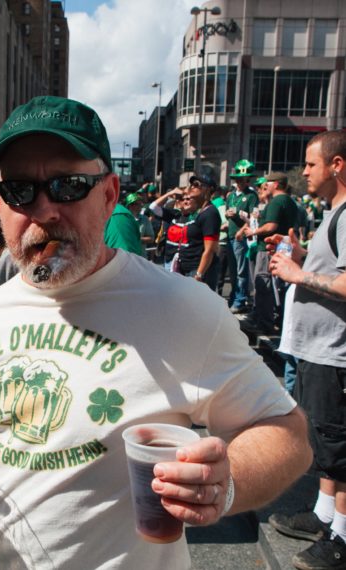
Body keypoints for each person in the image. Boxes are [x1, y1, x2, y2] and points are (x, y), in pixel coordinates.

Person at [0, 95, 311, 569]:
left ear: (108, 194)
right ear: (1, 204)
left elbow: (286, 433)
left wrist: (225, 483)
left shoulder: (181, 308)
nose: (44, 211)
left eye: (68, 185)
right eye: (21, 190)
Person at [268, 130, 346, 569]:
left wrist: (298, 274)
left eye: (311, 164)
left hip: (335, 354)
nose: (304, 172)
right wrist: (299, 255)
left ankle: (341, 539)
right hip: (321, 352)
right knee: (328, 445)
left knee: (340, 447)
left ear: (336, 165)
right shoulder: (334, 214)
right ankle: (324, 516)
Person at [242, 172, 298, 333]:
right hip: (283, 248)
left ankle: (264, 324)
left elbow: (271, 226)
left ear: (277, 184)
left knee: (263, 285)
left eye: (268, 183)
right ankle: (277, 321)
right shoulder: (289, 201)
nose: (265, 185)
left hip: (268, 248)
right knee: (278, 287)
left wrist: (253, 232)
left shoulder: (276, 202)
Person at [225, 160, 259, 313]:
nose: (239, 181)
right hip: (230, 235)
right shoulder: (231, 195)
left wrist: (242, 229)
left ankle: (240, 300)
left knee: (241, 270)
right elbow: (227, 212)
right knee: (232, 271)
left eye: (242, 179)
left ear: (247, 179)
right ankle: (234, 296)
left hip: (241, 236)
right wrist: (227, 215)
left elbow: (253, 218)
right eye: (237, 179)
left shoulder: (251, 196)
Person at [179, 174, 221, 289]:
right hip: (189, 269)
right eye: (191, 184)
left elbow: (210, 249)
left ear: (207, 189)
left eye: (196, 185)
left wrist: (199, 275)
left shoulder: (210, 214)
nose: (192, 187)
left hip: (198, 271)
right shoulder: (199, 212)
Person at [125, 192, 154, 258]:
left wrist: (136, 239)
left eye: (141, 203)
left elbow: (151, 238)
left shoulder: (145, 219)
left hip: (140, 257)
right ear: (130, 205)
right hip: (125, 257)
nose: (141, 205)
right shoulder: (123, 218)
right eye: (138, 204)